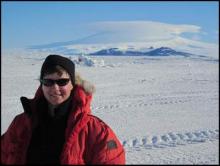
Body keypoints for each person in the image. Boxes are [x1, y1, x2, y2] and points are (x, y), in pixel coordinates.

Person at [1, 54, 125, 164]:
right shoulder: (21, 123)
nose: (55, 88)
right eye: (48, 81)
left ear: (73, 84)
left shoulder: (96, 131)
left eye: (62, 82)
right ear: (41, 84)